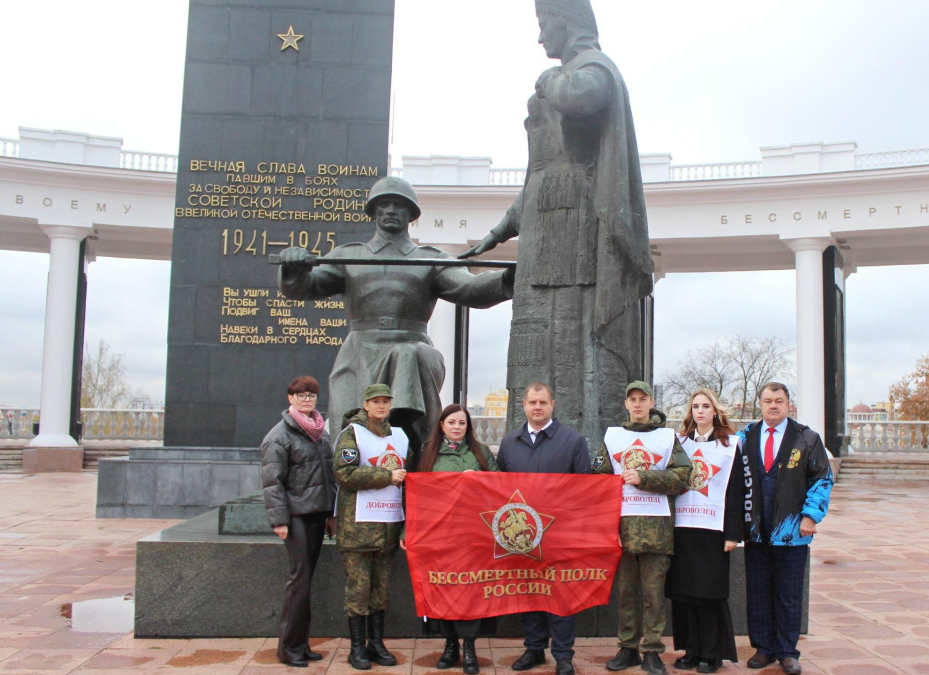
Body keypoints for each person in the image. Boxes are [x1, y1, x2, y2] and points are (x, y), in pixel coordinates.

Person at [459, 0, 653, 453]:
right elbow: (536, 176)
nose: (540, 36)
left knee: (580, 344)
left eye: (545, 23)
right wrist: (501, 230)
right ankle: (523, 451)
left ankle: (589, 451)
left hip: (579, 233)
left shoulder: (595, 68)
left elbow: (583, 95)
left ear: (567, 22)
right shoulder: (563, 79)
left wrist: (549, 80)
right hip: (539, 238)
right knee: (532, 343)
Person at [280, 175, 513, 450]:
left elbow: (470, 288)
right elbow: (306, 287)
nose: (391, 210)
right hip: (358, 356)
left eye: (399, 205)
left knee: (409, 356)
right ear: (373, 211)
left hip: (412, 350)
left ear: (411, 214)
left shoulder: (431, 259)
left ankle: (414, 451)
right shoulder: (348, 256)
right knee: (349, 443)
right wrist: (294, 269)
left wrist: (508, 278)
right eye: (384, 204)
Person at [592, 381, 691, 675]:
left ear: (651, 402)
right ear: (626, 404)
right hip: (623, 530)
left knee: (653, 596)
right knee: (626, 595)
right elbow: (599, 478)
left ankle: (652, 651)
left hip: (657, 531)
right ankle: (627, 648)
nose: (637, 404)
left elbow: (682, 476)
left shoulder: (667, 438)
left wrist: (644, 478)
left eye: (642, 399)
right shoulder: (613, 438)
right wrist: (607, 526)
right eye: (632, 399)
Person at [737, 383, 833, 675]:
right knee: (758, 592)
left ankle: (788, 652)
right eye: (768, 400)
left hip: (792, 532)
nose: (773, 405)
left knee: (788, 594)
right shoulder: (745, 437)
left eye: (779, 400)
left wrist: (811, 517)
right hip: (755, 531)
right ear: (760, 404)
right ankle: (763, 648)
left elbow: (822, 478)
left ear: (789, 404)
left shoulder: (806, 438)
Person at [496, 382, 591, 675]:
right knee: (528, 592)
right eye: (532, 402)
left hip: (561, 534)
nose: (537, 407)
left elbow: (585, 489)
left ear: (552, 405)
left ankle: (563, 655)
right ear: (523, 405)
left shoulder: (573, 441)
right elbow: (499, 488)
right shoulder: (510, 443)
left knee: (561, 595)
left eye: (543, 402)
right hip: (523, 536)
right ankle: (534, 649)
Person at [415, 403, 499, 674]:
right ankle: (450, 643)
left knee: (471, 589)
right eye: (451, 422)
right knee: (444, 586)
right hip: (440, 534)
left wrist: (479, 479)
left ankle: (469, 645)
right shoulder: (429, 454)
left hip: (474, 534)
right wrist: (408, 531)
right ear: (441, 425)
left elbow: (500, 485)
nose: (456, 427)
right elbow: (416, 496)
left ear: (468, 426)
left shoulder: (480, 452)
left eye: (462, 423)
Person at [260, 375, 337, 668]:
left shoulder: (320, 432)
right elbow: (272, 482)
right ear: (290, 398)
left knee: (305, 581)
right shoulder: (278, 435)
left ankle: (302, 645)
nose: (307, 399)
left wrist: (330, 514)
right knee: (299, 580)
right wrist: (279, 520)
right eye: (301, 395)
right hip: (294, 517)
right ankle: (289, 648)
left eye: (312, 395)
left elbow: (328, 476)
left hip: (317, 513)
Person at [665, 389, 743, 673]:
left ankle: (711, 654)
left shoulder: (730, 446)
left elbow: (736, 491)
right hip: (683, 529)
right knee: (685, 593)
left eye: (705, 406)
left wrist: (733, 534)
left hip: (713, 530)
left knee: (709, 594)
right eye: (695, 406)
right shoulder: (679, 443)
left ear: (715, 411)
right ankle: (691, 650)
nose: (700, 411)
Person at [333, 384, 409, 671]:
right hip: (358, 529)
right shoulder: (352, 434)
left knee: (381, 591)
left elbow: (410, 476)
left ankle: (376, 643)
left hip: (388, 527)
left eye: (386, 401)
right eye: (376, 401)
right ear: (365, 404)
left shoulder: (399, 437)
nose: (381, 406)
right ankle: (357, 648)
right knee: (359, 589)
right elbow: (344, 473)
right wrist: (386, 476)